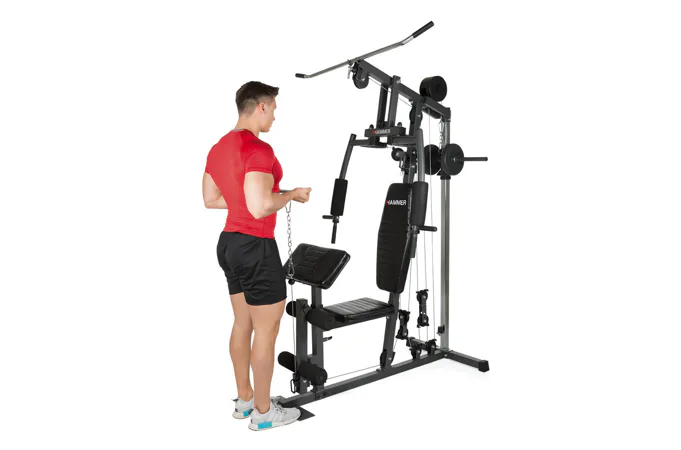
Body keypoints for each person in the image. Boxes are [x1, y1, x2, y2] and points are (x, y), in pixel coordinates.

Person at [202, 81, 312, 431]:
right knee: (267, 329)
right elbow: (261, 206)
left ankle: (245, 400)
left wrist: (251, 201)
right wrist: (291, 194)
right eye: (273, 109)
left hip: (229, 244)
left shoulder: (218, 147)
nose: (275, 116)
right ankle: (264, 413)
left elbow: (210, 198)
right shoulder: (258, 149)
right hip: (255, 246)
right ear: (261, 106)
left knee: (243, 323)